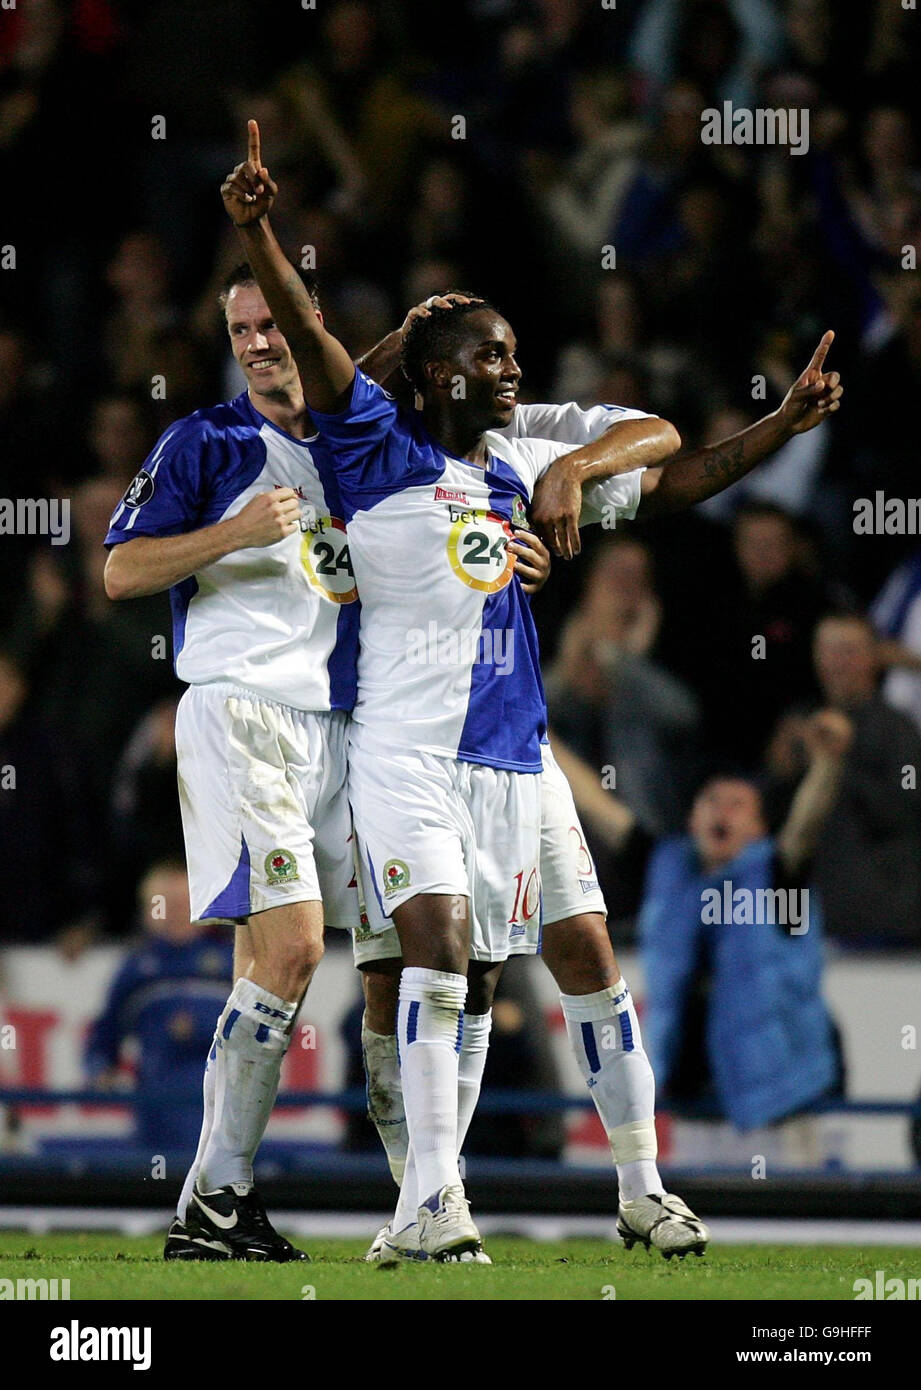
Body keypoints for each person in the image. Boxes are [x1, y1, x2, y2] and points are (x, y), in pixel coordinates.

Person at [225, 118, 843, 1260]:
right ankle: (429, 1201)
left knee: (591, 960)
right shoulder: (371, 445)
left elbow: (673, 463)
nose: (515, 370)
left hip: (519, 754)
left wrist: (762, 427)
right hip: (405, 751)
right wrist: (262, 232)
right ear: (435, 375)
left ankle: (642, 1191)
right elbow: (313, 340)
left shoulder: (521, 458)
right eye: (494, 355)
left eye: (514, 354)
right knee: (442, 953)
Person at [638, 710, 852, 1131]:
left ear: (758, 827)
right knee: (696, 1198)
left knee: (782, 1199)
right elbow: (608, 815)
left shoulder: (777, 879)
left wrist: (828, 764)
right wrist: (539, 743)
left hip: (785, 1101)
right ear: (692, 820)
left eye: (738, 805)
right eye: (713, 801)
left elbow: (805, 827)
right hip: (694, 1098)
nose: (724, 812)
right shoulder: (669, 877)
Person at [85, 862, 233, 1149]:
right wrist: (99, 1068)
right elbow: (105, 1035)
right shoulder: (137, 968)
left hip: (225, 1112)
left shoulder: (232, 960)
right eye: (165, 905)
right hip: (157, 1114)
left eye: (183, 904)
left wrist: (202, 1028)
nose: (175, 914)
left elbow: (266, 1029)